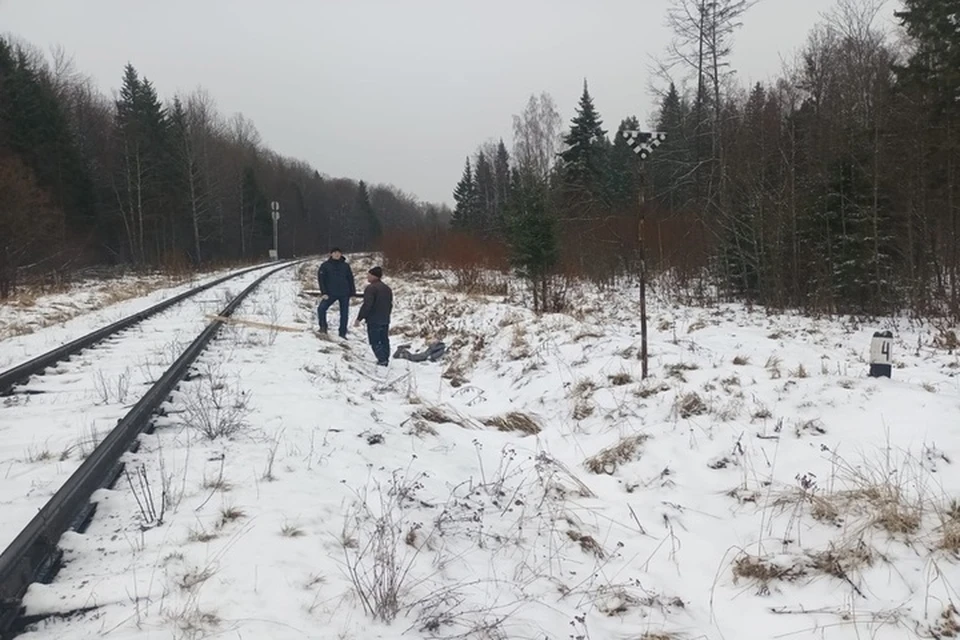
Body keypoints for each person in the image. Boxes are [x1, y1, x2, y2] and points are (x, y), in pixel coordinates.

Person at [355, 266, 393, 366]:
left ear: (373, 276)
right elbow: (390, 304)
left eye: (369, 274)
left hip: (374, 319)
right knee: (384, 339)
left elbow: (367, 304)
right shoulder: (387, 288)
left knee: (375, 340)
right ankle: (385, 357)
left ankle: (382, 359)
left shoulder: (370, 288)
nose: (367, 276)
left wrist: (359, 318)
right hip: (385, 318)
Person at [317, 248, 356, 338]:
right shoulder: (325, 265)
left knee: (344, 314)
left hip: (344, 293)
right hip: (330, 293)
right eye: (335, 253)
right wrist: (324, 292)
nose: (337, 254)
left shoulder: (345, 266)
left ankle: (342, 333)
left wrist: (353, 293)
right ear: (331, 254)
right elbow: (321, 280)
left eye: (338, 253)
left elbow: (350, 279)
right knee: (321, 308)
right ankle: (323, 327)